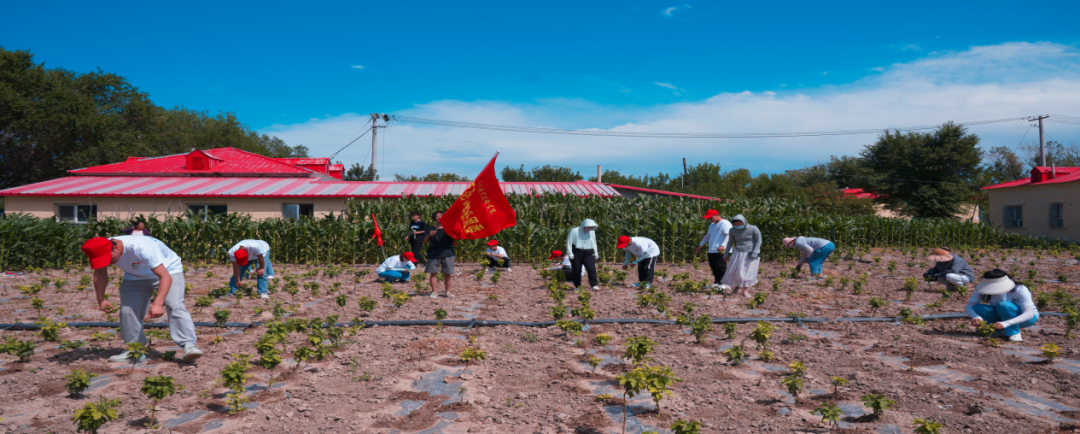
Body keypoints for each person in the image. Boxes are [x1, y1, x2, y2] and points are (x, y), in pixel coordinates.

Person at [81, 236, 202, 362]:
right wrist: (101, 299)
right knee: (128, 311)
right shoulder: (100, 248)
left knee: (174, 304)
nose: (107, 263)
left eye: (108, 259)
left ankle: (188, 344)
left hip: (168, 271)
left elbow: (165, 277)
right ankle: (134, 349)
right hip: (134, 275)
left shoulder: (141, 248)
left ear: (116, 248)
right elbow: (100, 273)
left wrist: (158, 303)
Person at [965, 269, 1039, 342]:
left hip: (1026, 319)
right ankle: (998, 331)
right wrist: (976, 317)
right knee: (977, 308)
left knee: (1004, 305)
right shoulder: (982, 290)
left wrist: (1006, 323)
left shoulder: (1020, 289)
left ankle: (1014, 333)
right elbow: (969, 307)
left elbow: (1028, 314)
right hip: (1001, 315)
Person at [722, 215, 762, 298]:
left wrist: (754, 252)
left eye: (740, 224)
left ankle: (745, 290)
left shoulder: (753, 228)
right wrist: (726, 254)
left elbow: (759, 241)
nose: (738, 226)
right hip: (738, 252)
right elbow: (730, 242)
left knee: (748, 271)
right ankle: (738, 286)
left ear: (744, 222)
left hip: (751, 252)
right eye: (736, 225)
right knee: (738, 271)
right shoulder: (732, 230)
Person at [696, 209, 731, 290]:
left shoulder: (725, 223)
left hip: (721, 250)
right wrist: (700, 245)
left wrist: (723, 246)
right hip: (712, 249)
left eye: (711, 217)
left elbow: (728, 235)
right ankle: (717, 282)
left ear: (717, 215)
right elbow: (707, 236)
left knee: (720, 266)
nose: (709, 219)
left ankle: (725, 284)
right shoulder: (712, 225)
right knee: (713, 266)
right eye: (708, 218)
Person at [423, 210, 455, 298]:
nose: (440, 217)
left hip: (448, 252)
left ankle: (447, 292)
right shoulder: (430, 229)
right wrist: (429, 235)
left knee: (447, 273)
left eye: (442, 215)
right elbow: (424, 241)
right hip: (433, 252)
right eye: (437, 216)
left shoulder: (449, 228)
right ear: (434, 218)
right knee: (433, 273)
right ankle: (434, 291)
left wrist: (451, 234)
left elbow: (455, 237)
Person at [566, 219, 600, 290]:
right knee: (576, 269)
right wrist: (570, 253)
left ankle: (594, 285)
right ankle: (577, 286)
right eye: (588, 227)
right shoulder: (574, 231)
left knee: (591, 268)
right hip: (577, 251)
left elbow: (594, 242)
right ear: (583, 226)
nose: (590, 229)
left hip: (589, 252)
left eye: (591, 227)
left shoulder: (592, 232)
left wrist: (595, 252)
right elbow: (569, 242)